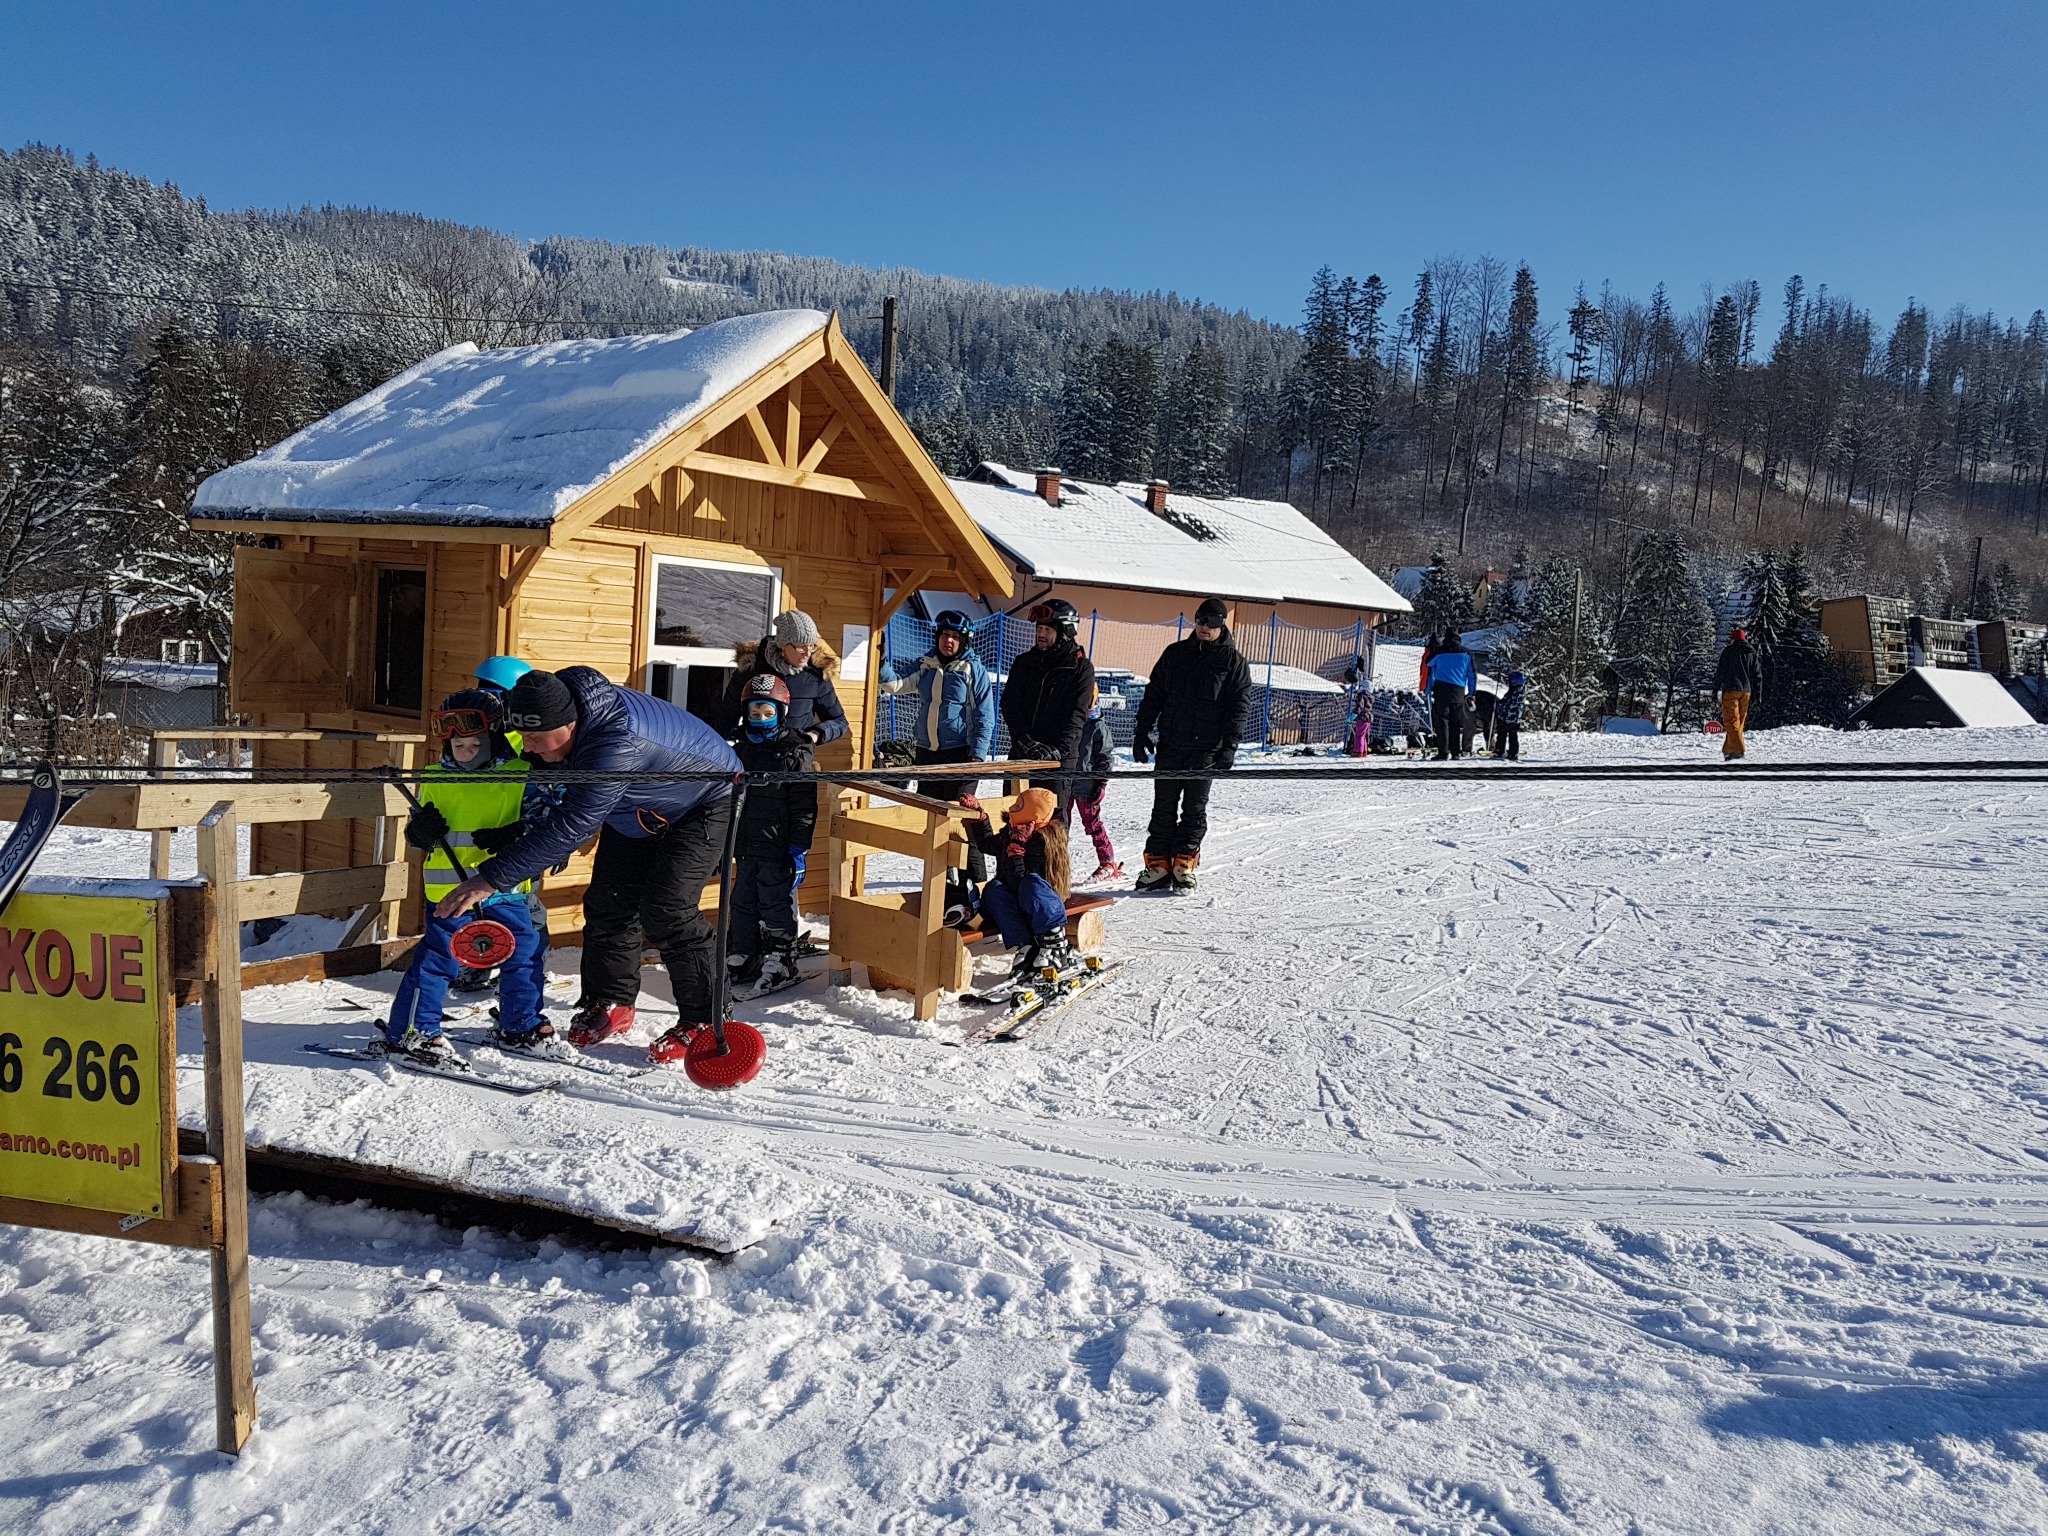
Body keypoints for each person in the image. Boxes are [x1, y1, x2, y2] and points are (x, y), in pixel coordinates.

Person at [436, 666, 743, 1066]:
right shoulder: (557, 710)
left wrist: (491, 878)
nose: (528, 747)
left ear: (569, 724)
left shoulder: (614, 746)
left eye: (535, 739)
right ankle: (612, 1001)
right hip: (637, 803)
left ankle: (705, 1018)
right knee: (608, 901)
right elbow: (538, 785)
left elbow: (574, 823)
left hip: (707, 798)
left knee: (668, 909)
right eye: (524, 736)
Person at [380, 690, 551, 1067]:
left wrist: (516, 832)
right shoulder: (435, 777)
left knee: (524, 953)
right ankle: (413, 1031)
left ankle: (520, 1024)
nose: (466, 752)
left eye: (475, 744)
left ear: (493, 738)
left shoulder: (521, 773)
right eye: (458, 745)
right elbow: (416, 835)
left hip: (506, 889)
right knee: (438, 959)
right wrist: (420, 833)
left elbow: (544, 821)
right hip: (451, 891)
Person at [1131, 597, 1252, 893]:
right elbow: (1155, 693)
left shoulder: (1233, 662)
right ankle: (1158, 865)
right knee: (1163, 808)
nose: (1204, 627)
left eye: (1211, 622)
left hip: (1206, 750)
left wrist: (1229, 747)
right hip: (1171, 744)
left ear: (1222, 625)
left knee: (1194, 810)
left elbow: (1239, 707)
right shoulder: (1175, 654)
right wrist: (1141, 732)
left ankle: (1183, 863)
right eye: (1200, 620)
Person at [879, 608, 995, 880]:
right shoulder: (926, 664)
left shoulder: (973, 670)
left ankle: (975, 883)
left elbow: (984, 716)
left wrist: (977, 756)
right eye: (944, 635)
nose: (948, 641)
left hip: (961, 756)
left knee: (964, 821)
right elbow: (894, 684)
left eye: (955, 636)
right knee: (932, 821)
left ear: (964, 641)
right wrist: (881, 658)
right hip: (928, 754)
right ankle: (940, 884)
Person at [725, 675, 819, 999]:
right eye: (755, 713)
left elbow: (804, 803)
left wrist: (799, 847)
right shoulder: (740, 749)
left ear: (781, 713)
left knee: (774, 901)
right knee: (742, 900)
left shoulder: (794, 750)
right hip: (745, 841)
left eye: (768, 713)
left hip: (778, 844)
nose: (761, 719)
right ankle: (744, 953)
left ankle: (782, 958)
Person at [957, 787, 1074, 981]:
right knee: (993, 890)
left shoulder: (1044, 841)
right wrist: (980, 817)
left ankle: (1055, 945)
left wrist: (1016, 850)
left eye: (1020, 806)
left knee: (1031, 884)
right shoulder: (1013, 832)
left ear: (1033, 815)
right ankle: (1026, 945)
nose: (1013, 808)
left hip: (1041, 903)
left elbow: (1023, 881)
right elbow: (987, 844)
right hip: (1016, 900)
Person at [999, 598, 1096, 822]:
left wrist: (1058, 751)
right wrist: (1024, 740)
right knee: (1015, 822)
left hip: (1057, 764)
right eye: (1039, 629)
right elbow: (1010, 704)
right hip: (1022, 756)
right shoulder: (1024, 662)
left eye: (1047, 630)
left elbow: (1076, 715)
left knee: (1051, 827)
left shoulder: (1080, 669)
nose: (1041, 634)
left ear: (1065, 632)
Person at [1071, 687, 1121, 882]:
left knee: (1092, 823)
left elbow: (1105, 757)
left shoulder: (1097, 726)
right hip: (1067, 782)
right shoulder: (1071, 721)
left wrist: (1101, 783)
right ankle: (1055, 862)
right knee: (1060, 824)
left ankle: (1107, 862)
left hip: (1087, 786)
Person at [1713, 626, 1764, 760]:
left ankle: (1738, 749)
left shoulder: (1728, 651)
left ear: (1733, 639)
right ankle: (1729, 750)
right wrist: (1758, 694)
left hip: (1730, 690)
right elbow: (1757, 675)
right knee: (1739, 723)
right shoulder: (1751, 652)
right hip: (1746, 692)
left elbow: (1721, 672)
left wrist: (1715, 689)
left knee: (1731, 721)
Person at [1425, 629, 1475, 761]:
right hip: (1458, 691)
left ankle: (1443, 752)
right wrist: (1471, 693)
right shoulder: (1467, 653)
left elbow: (1428, 663)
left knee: (1442, 722)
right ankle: (1455, 752)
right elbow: (1472, 675)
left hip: (1442, 689)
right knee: (1455, 722)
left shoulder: (1439, 651)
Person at [1496, 670, 1527, 761]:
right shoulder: (1521, 692)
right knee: (1513, 736)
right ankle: (1513, 753)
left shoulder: (1512, 693)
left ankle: (1500, 751)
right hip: (1515, 719)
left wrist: (1498, 704)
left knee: (1502, 734)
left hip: (1506, 718)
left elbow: (1505, 704)